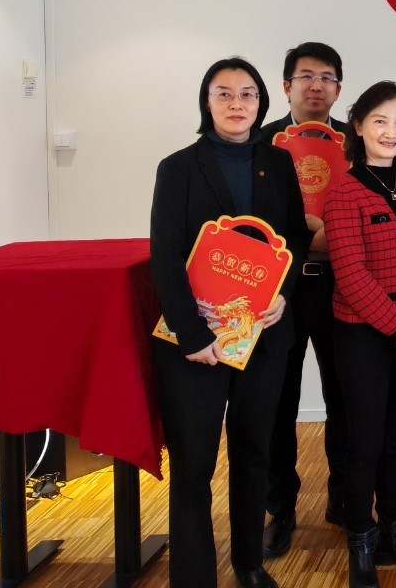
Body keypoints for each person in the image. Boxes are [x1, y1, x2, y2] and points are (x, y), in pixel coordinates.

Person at [149, 56, 311, 588]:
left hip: (262, 333)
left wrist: (283, 292)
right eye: (224, 93)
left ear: (262, 102)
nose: (237, 104)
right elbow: (165, 255)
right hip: (195, 343)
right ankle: (194, 577)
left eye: (247, 94)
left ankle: (248, 564)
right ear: (207, 101)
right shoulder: (178, 167)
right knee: (193, 466)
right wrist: (193, 336)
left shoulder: (279, 162)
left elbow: (294, 236)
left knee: (253, 452)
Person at [324, 81, 396, 587]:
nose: (390, 132)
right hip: (364, 338)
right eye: (380, 121)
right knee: (365, 442)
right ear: (358, 126)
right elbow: (350, 273)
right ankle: (361, 538)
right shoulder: (343, 192)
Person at [262, 42, 348, 558]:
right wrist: (305, 234)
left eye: (327, 77)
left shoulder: (357, 141)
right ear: (286, 86)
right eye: (306, 76)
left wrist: (330, 235)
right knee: (278, 401)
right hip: (280, 292)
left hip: (342, 285)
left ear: (338, 88)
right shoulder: (261, 143)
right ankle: (280, 507)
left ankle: (344, 496)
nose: (316, 86)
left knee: (346, 396)